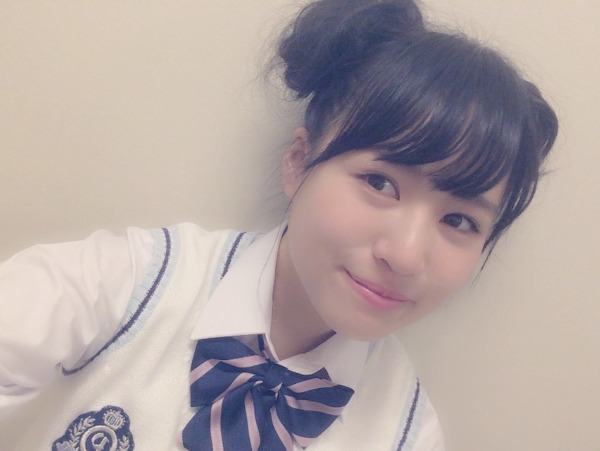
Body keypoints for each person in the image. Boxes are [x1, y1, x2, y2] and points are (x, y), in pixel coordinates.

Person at [0, 0, 558, 449]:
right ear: (298, 161)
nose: (407, 254)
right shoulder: (127, 284)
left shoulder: (407, 433)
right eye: (380, 182)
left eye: (459, 219)